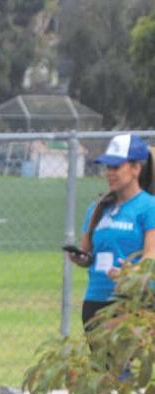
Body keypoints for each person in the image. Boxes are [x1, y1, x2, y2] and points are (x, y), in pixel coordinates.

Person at [67, 133, 155, 332]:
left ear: (135, 169)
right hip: (95, 300)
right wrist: (81, 258)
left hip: (131, 301)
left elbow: (151, 254)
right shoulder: (98, 207)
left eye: (116, 167)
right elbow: (87, 253)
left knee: (121, 362)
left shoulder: (149, 207)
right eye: (108, 167)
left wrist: (131, 272)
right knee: (102, 363)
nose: (110, 173)